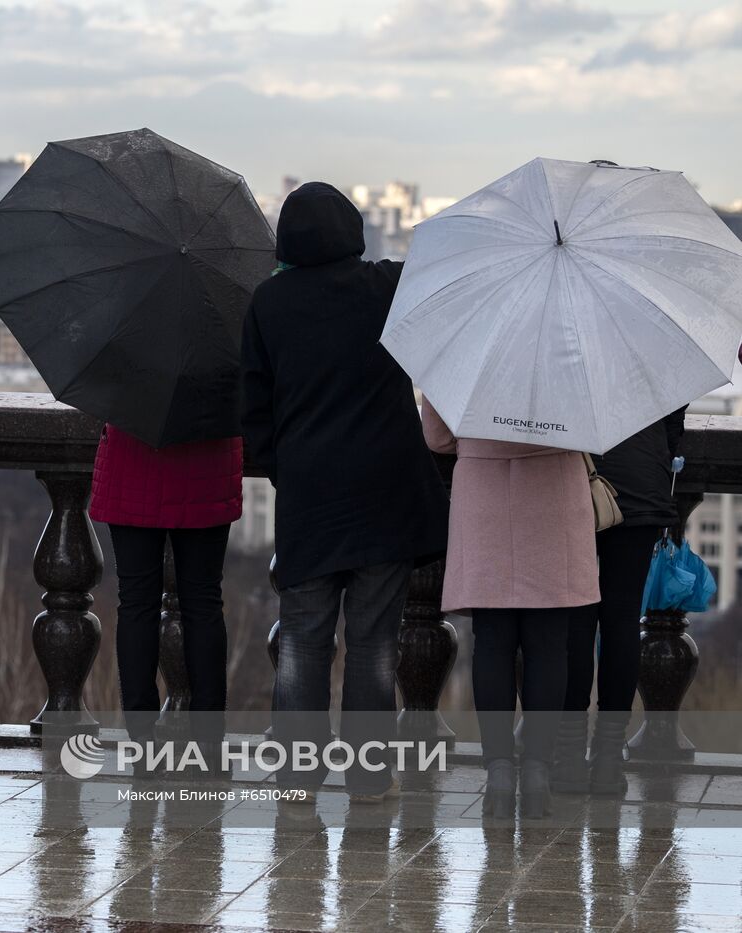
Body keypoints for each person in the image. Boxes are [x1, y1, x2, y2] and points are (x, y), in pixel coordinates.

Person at [241, 182, 448, 802]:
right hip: (386, 493)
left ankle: (298, 776)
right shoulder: (385, 288)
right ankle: (368, 775)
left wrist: (287, 468)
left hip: (311, 496)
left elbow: (254, 414)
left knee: (303, 638)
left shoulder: (269, 303)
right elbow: (445, 283)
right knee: (374, 642)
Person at [421, 402, 599, 819]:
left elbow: (438, 438)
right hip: (554, 490)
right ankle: (537, 770)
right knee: (550, 646)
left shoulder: (463, 342)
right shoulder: (570, 345)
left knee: (493, 644)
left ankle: (499, 770)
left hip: (485, 494)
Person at [89, 424, 242, 764]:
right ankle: (209, 741)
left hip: (132, 463)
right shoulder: (220, 367)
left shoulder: (129, 368)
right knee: (203, 604)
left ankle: (142, 738)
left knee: (136, 603)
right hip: (207, 466)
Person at [555, 409, 686, 796]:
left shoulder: (566, 346)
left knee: (575, 617)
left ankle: (569, 758)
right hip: (643, 481)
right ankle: (609, 761)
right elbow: (673, 424)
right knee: (624, 619)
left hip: (576, 478)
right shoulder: (656, 347)